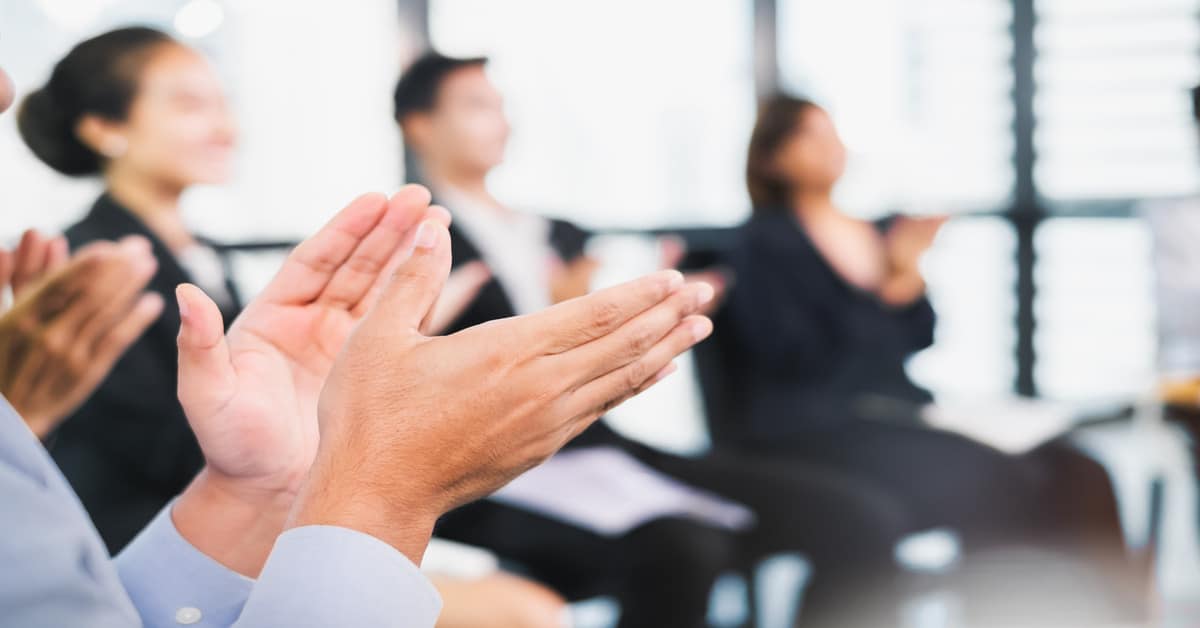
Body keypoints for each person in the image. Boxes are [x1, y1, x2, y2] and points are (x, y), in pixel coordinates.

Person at [4, 45, 714, 626]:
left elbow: (243, 444)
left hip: (194, 543)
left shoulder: (202, 255)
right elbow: (150, 445)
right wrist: (371, 478)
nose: (224, 125)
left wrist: (304, 438)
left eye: (223, 103)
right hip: (130, 527)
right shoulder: (91, 261)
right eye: (189, 103)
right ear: (104, 128)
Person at [392, 52, 919, 627]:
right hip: (493, 469)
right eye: (477, 107)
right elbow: (402, 381)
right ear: (419, 125)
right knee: (684, 547)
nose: (501, 123)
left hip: (597, 448)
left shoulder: (561, 235)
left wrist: (648, 310)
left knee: (857, 517)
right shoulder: (405, 243)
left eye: (501, 107)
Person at [713, 94, 1139, 623]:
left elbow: (920, 335)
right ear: (772, 158)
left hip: (895, 412)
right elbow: (799, 356)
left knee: (1079, 469)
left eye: (833, 133)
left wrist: (906, 280)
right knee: (999, 479)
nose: (832, 148)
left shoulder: (872, 232)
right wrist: (888, 290)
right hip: (819, 424)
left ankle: (1114, 611)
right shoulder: (761, 245)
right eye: (810, 136)